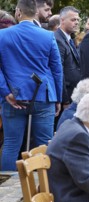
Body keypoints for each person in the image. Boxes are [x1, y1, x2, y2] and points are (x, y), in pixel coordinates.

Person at [0, 0, 62, 171]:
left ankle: (5, 192)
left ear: (18, 12)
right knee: (43, 145)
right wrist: (57, 98)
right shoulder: (48, 36)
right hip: (43, 95)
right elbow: (57, 70)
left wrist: (5, 92)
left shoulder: (2, 35)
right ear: (35, 13)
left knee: (11, 144)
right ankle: (42, 188)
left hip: (13, 96)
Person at [55, 6, 81, 107]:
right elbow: (58, 70)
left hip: (73, 94)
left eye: (78, 20)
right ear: (62, 20)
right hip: (66, 97)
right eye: (73, 19)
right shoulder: (58, 39)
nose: (77, 22)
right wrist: (64, 100)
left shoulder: (70, 39)